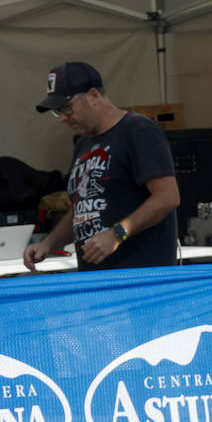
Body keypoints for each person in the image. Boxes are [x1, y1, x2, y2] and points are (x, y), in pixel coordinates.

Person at [25, 62, 180, 271]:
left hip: (138, 277)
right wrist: (48, 244)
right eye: (56, 112)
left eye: (66, 108)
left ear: (93, 95)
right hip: (97, 280)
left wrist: (118, 233)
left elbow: (167, 197)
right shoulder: (83, 143)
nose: (62, 118)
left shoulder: (137, 130)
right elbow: (80, 209)